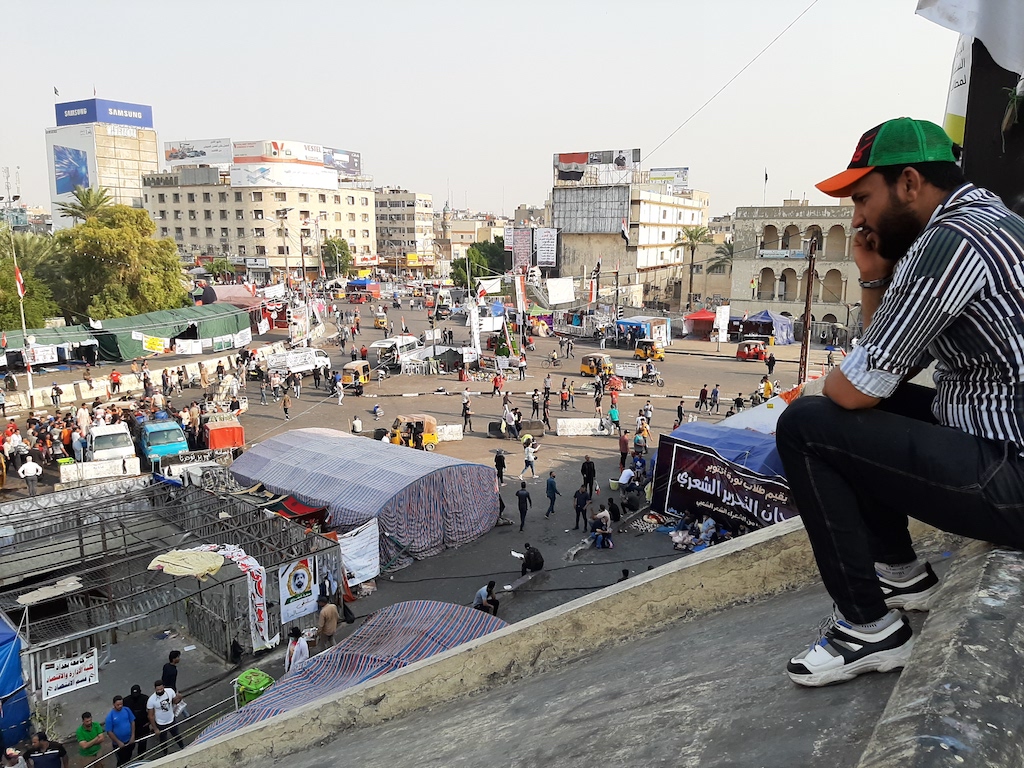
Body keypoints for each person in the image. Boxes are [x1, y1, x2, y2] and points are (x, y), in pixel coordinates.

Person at [777, 117, 1024, 688]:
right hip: (998, 442)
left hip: (1011, 470)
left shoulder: (949, 243)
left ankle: (869, 629)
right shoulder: (984, 221)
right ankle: (903, 577)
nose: (858, 218)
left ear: (909, 183)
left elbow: (855, 387)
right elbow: (884, 376)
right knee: (852, 411)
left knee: (805, 424)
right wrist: (871, 280)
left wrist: (845, 379)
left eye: (864, 197)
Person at [147, 680, 183, 756]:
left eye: (161, 689)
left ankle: (183, 747)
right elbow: (151, 716)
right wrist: (155, 728)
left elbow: (174, 702)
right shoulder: (151, 700)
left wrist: (179, 697)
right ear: (154, 689)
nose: (159, 691)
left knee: (177, 735)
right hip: (160, 723)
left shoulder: (170, 691)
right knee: (163, 740)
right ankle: (165, 753)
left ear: (163, 687)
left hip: (171, 719)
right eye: (157, 690)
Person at [105, 696, 136, 767]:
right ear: (113, 704)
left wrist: (133, 736)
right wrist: (118, 742)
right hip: (118, 744)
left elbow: (132, 722)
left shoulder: (127, 710)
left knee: (128, 757)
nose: (120, 706)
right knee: (121, 761)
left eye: (121, 704)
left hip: (129, 740)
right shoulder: (110, 716)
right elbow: (109, 732)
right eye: (118, 705)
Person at [124, 683, 150, 756]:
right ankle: (128, 758)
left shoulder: (145, 699)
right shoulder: (126, 701)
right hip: (132, 728)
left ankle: (141, 757)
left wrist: (149, 722)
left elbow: (151, 710)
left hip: (143, 726)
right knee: (130, 746)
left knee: (142, 744)